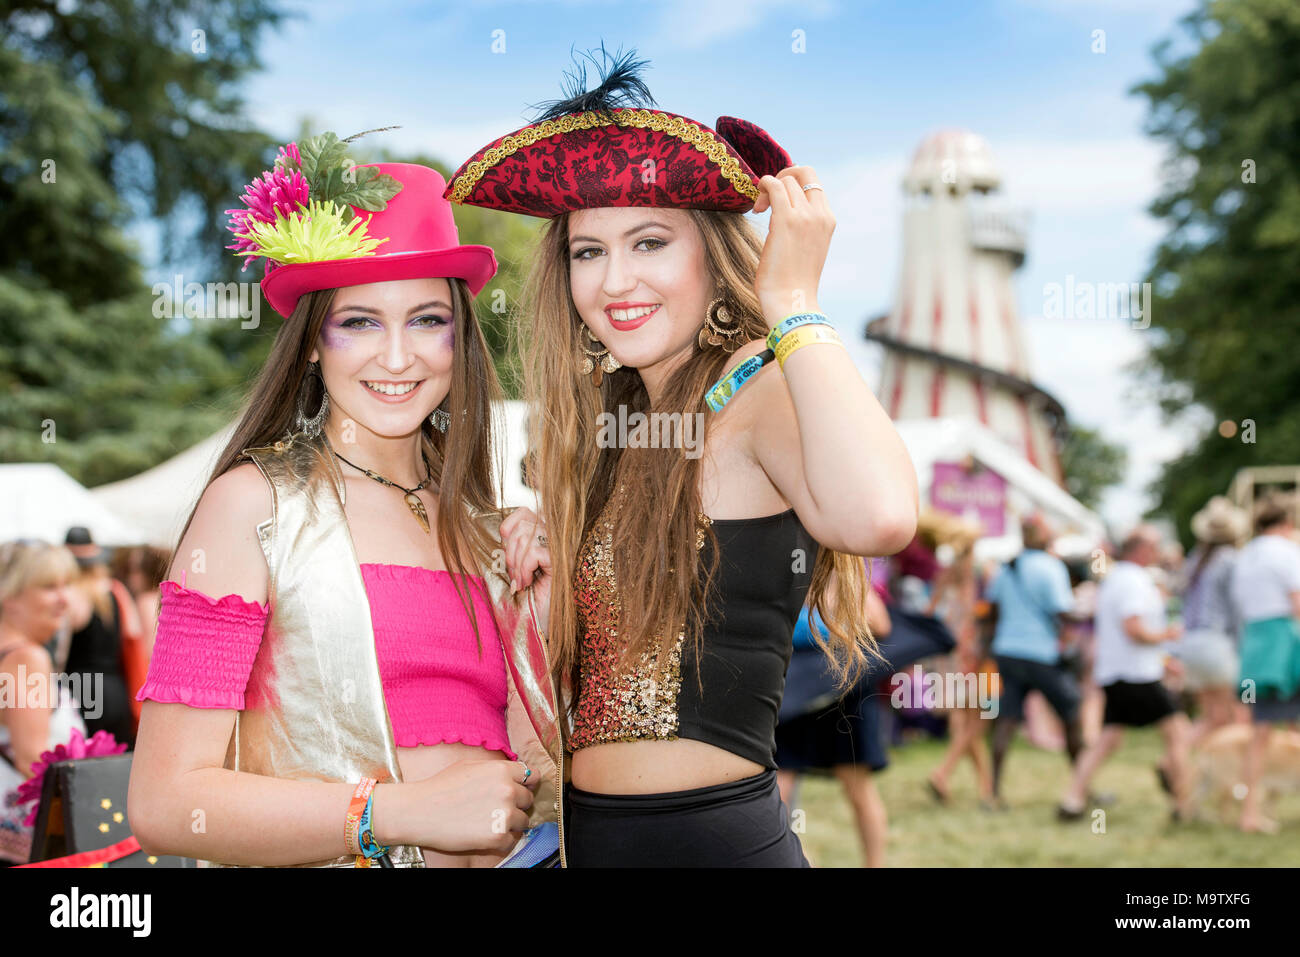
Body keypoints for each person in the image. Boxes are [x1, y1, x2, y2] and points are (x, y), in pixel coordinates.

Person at [450, 50, 918, 866]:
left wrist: (794, 305)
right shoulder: (625, 425)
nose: (614, 280)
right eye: (587, 252)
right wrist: (551, 541)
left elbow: (878, 515)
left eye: (649, 241)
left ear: (709, 249)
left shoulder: (759, 388)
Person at [127, 140, 562, 867]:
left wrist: (544, 609)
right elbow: (168, 803)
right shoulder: (251, 507)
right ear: (309, 345)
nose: (398, 356)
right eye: (360, 321)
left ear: (461, 339)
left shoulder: (490, 533)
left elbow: (533, 773)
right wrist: (393, 811)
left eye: (428, 319)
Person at [1059, 525, 1191, 821]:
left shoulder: (1115, 578)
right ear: (1141, 549)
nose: (1158, 553)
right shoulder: (1134, 581)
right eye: (1155, 547)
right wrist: (1166, 636)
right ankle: (1183, 803)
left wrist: (1162, 656)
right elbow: (1133, 629)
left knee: (1108, 739)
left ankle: (1073, 799)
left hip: (1118, 671)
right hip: (1138, 674)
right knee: (1178, 732)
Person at [775, 560, 894, 868]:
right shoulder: (790, 570)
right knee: (780, 789)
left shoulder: (844, 570)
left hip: (845, 695)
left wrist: (824, 626)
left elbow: (880, 624)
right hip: (798, 695)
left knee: (856, 786)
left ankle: (874, 864)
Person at [986, 514, 1084, 805]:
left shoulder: (1007, 568)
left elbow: (992, 610)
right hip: (1040, 653)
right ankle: (1081, 786)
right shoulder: (1051, 567)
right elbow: (1063, 611)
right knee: (1070, 714)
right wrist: (1089, 614)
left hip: (1007, 650)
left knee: (1006, 719)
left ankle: (993, 793)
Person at [0, 541, 87, 864]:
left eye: (67, 585)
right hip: (25, 842)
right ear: (10, 596)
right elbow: (31, 761)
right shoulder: (26, 658)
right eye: (50, 587)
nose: (65, 599)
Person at [1230, 492, 1300, 833]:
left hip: (1255, 650)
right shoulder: (1287, 552)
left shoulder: (1245, 556)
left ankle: (1250, 812)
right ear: (1287, 522)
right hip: (1286, 649)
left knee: (1258, 734)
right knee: (1294, 729)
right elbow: (1298, 603)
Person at [925, 519, 996, 808]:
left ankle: (985, 788)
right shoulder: (972, 573)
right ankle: (942, 773)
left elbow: (930, 612)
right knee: (979, 721)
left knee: (965, 722)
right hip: (968, 655)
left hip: (948, 655)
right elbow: (969, 615)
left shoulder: (943, 576)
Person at [1174, 496, 1248, 746]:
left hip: (1192, 646)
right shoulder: (1232, 560)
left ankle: (1178, 760)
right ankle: (1240, 777)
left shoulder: (1195, 560)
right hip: (1219, 646)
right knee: (1242, 712)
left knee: (1211, 717)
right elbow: (1238, 609)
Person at [61, 527, 139, 746]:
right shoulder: (116, 590)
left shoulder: (73, 597)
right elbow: (133, 633)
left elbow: (60, 648)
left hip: (81, 689)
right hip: (116, 688)